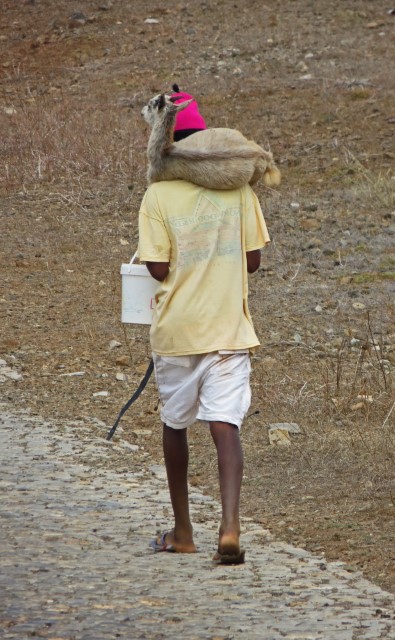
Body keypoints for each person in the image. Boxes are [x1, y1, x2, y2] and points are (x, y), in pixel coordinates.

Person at [137, 88, 270, 565]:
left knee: (176, 424)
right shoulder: (238, 189)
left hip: (176, 332)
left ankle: (184, 530)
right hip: (228, 329)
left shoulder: (157, 193)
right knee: (225, 424)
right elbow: (253, 261)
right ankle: (230, 528)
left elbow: (155, 268)